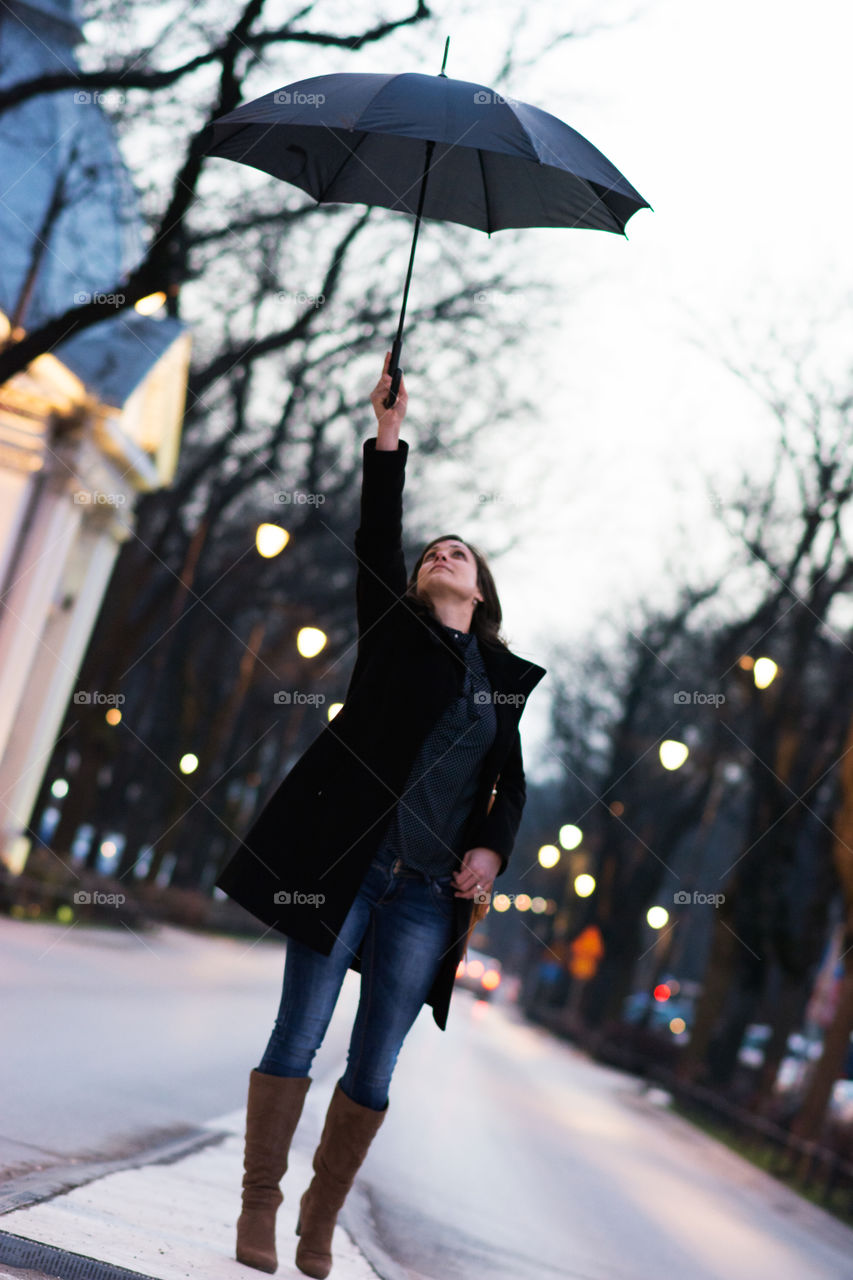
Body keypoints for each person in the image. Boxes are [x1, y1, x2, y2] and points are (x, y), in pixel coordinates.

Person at [217, 353, 546, 1277]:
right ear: (412, 585)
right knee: (297, 1034)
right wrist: (387, 433)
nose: (442, 553)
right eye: (431, 553)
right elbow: (377, 530)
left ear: (478, 592)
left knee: (373, 1070)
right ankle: (258, 1207)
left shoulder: (506, 686)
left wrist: (489, 853)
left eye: (461, 553)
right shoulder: (393, 636)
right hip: (345, 869)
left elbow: (508, 790)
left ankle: (319, 1223)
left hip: (423, 897)